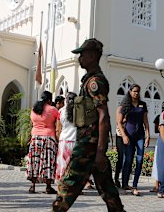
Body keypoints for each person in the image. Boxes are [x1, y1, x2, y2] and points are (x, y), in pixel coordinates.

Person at [52, 38, 125, 212]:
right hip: (90, 143)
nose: (79, 58)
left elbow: (104, 116)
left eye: (82, 54)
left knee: (68, 184)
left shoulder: (95, 83)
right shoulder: (89, 80)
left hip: (88, 146)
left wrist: (100, 151)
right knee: (107, 187)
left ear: (92, 56)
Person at [118, 84, 150, 196]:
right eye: (134, 91)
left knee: (140, 160)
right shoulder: (125, 105)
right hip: (129, 136)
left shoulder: (143, 104)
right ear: (130, 92)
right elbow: (119, 122)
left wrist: (148, 136)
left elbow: (145, 121)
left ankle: (135, 185)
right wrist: (124, 136)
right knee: (128, 160)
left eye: (138, 91)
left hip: (140, 136)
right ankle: (125, 184)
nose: (136, 93)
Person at [26, 90, 59, 194]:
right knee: (48, 162)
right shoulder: (53, 109)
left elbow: (32, 123)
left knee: (34, 161)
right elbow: (58, 125)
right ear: (49, 100)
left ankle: (32, 185)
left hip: (35, 137)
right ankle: (48, 186)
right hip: (49, 138)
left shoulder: (34, 109)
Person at [55, 92, 77, 181]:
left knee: (63, 164)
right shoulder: (79, 111)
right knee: (75, 165)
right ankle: (74, 186)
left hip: (63, 141)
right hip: (76, 141)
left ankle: (63, 184)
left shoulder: (61, 111)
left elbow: (58, 129)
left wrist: (58, 140)